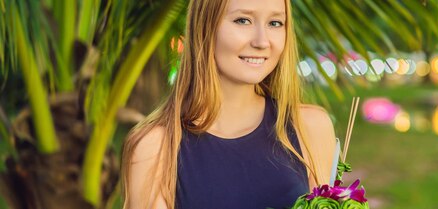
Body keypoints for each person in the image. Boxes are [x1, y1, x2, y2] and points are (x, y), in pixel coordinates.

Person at [120, 0, 337, 208]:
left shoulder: (310, 127)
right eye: (243, 20)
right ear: (205, 25)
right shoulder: (156, 147)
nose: (262, 42)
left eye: (275, 23)